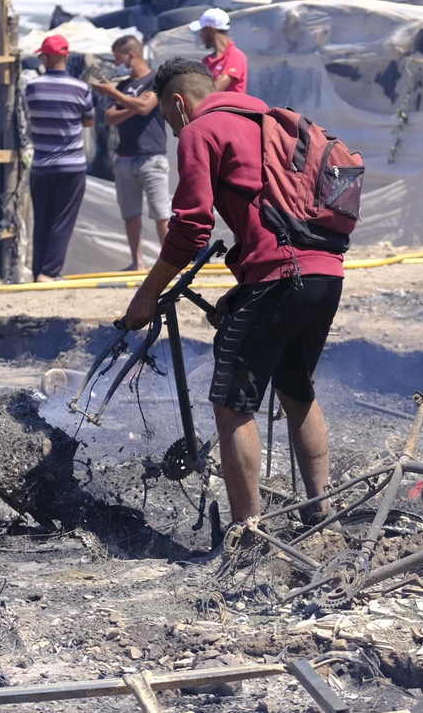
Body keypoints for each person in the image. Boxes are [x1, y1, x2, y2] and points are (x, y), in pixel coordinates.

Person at [121, 58, 342, 528]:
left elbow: (191, 228)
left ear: (178, 103)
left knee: (231, 404)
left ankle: (248, 535)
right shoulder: (271, 124)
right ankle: (322, 515)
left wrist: (146, 293)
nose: (175, 131)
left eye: (167, 119)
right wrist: (243, 292)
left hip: (280, 280)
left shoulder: (203, 130)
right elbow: (279, 218)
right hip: (326, 277)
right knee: (296, 390)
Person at [90, 35, 169, 270]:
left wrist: (115, 95)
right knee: (130, 214)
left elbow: (146, 107)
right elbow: (109, 117)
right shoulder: (124, 85)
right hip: (125, 158)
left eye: (118, 57)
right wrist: (130, 104)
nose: (116, 63)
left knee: (161, 213)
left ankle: (169, 265)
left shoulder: (156, 80)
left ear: (131, 55)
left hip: (152, 157)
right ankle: (138, 263)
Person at [25, 34, 94, 281]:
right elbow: (88, 121)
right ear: (66, 56)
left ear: (45, 57)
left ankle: (38, 272)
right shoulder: (81, 88)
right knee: (62, 220)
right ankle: (50, 272)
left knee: (41, 220)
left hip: (42, 166)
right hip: (72, 166)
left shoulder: (32, 87)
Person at [190, 8, 248, 94]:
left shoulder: (236, 56)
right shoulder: (206, 60)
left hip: (226, 107)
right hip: (210, 107)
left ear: (211, 29)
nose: (200, 35)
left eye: (202, 30)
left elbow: (215, 89)